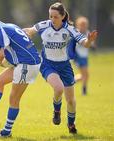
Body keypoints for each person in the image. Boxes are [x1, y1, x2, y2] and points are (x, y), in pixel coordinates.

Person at [23, 2, 97, 134]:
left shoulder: (70, 29)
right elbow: (31, 31)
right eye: (51, 16)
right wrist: (23, 32)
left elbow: (85, 43)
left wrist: (90, 40)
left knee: (71, 101)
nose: (52, 19)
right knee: (58, 88)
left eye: (55, 16)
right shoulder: (44, 25)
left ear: (63, 16)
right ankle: (56, 111)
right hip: (48, 64)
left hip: (65, 66)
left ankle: (71, 124)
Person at [74, 16, 95, 95]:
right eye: (82, 24)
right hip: (78, 56)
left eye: (85, 24)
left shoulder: (87, 32)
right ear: (78, 25)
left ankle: (70, 82)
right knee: (85, 74)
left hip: (84, 56)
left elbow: (90, 42)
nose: (84, 26)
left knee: (85, 75)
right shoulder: (76, 33)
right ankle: (84, 90)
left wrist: (92, 45)